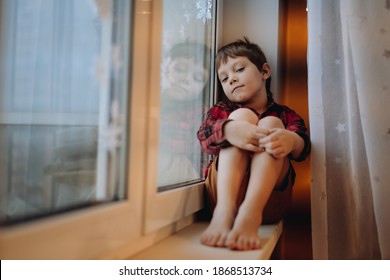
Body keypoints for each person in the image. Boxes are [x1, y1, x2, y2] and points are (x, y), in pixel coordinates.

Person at [197, 38, 310, 251]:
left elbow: (303, 146)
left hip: (269, 203)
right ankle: (224, 213)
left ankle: (250, 213)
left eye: (238, 69)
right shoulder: (222, 109)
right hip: (221, 198)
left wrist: (290, 140)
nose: (231, 79)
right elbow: (204, 137)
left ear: (264, 71)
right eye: (224, 78)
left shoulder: (285, 115)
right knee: (239, 116)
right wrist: (230, 129)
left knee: (272, 124)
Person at [157, 41, 211, 187]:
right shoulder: (152, 102)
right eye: (179, 69)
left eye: (198, 78)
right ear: (165, 68)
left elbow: (182, 144)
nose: (185, 79)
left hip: (188, 180)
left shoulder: (199, 113)